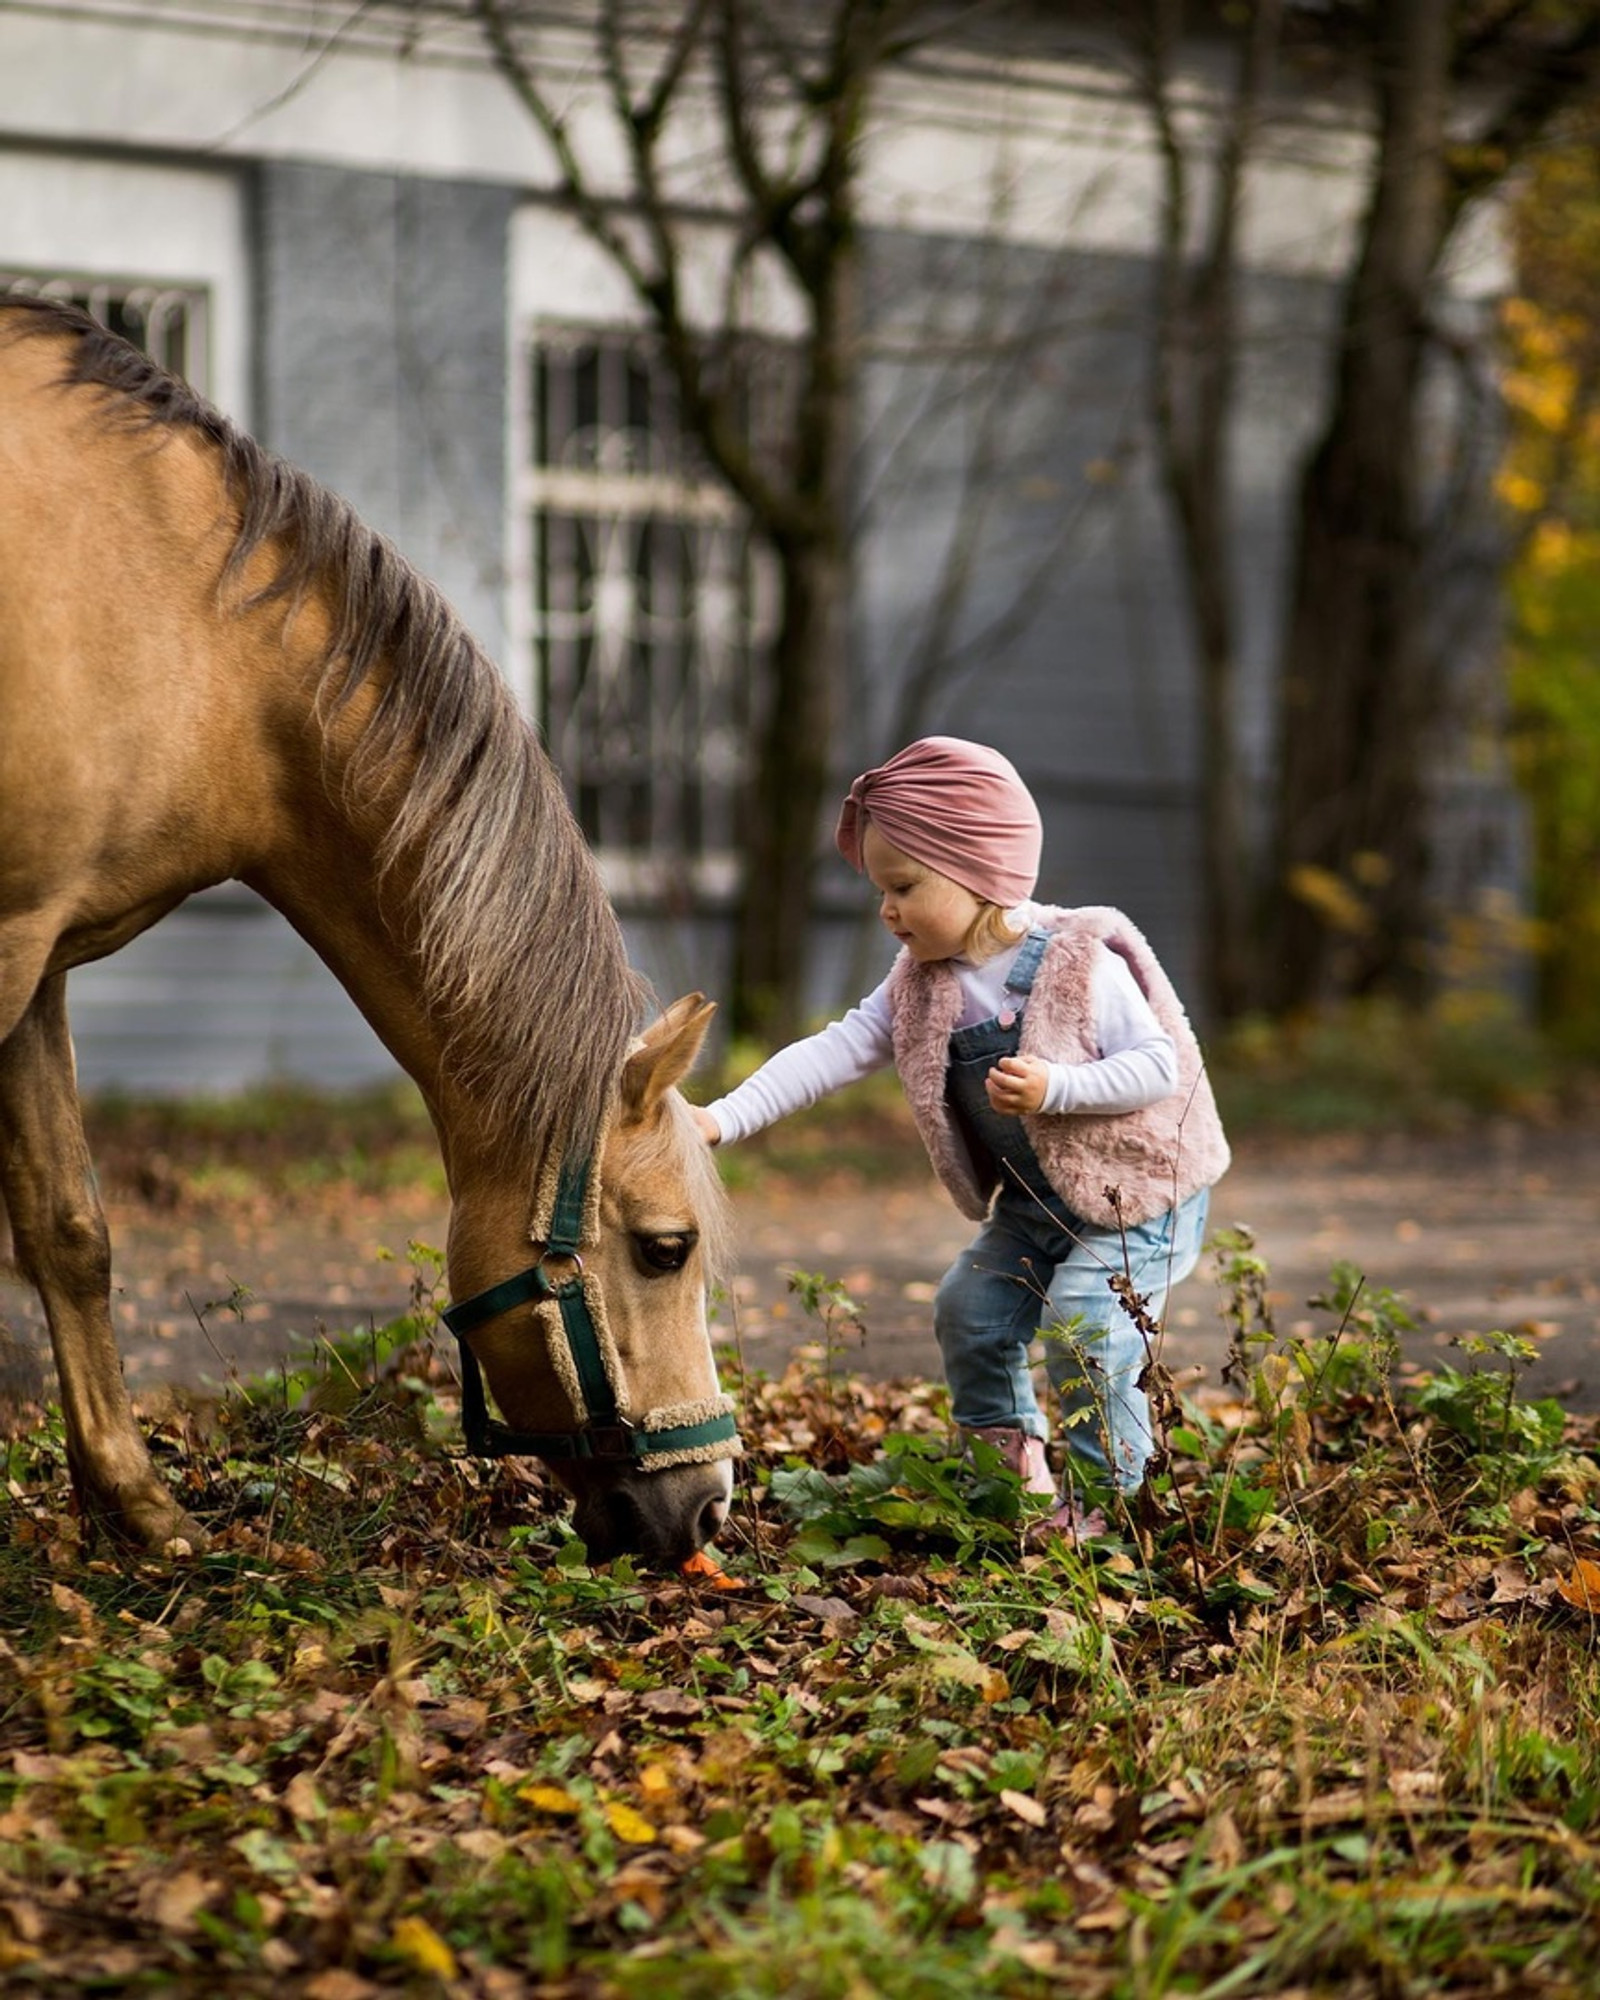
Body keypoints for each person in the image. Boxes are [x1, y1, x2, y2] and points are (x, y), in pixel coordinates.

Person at [694, 736, 1230, 1533]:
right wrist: (721, 1116)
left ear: (979, 871)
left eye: (904, 886)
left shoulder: (1079, 960)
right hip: (1039, 1201)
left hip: (1140, 1190)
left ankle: (1116, 1508)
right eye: (881, 889)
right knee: (969, 1310)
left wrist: (1061, 1087)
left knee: (1087, 1320)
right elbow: (834, 1050)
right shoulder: (920, 983)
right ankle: (1011, 1485)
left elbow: (1157, 1064)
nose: (887, 909)